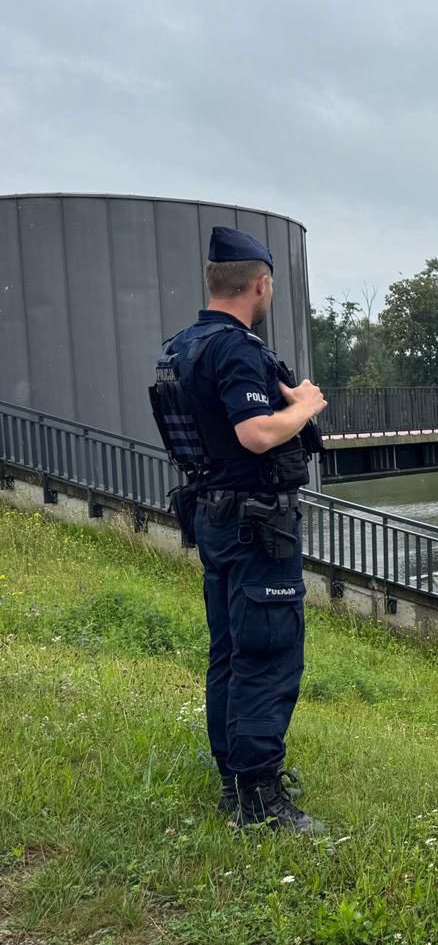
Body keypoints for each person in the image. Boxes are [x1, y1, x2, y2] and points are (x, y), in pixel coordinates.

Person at [149, 226, 328, 833]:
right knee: (268, 651)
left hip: (213, 513)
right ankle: (260, 802)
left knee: (229, 649)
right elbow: (255, 433)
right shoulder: (237, 349)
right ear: (260, 283)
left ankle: (235, 780)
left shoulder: (180, 348)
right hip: (256, 523)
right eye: (269, 284)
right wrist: (304, 406)